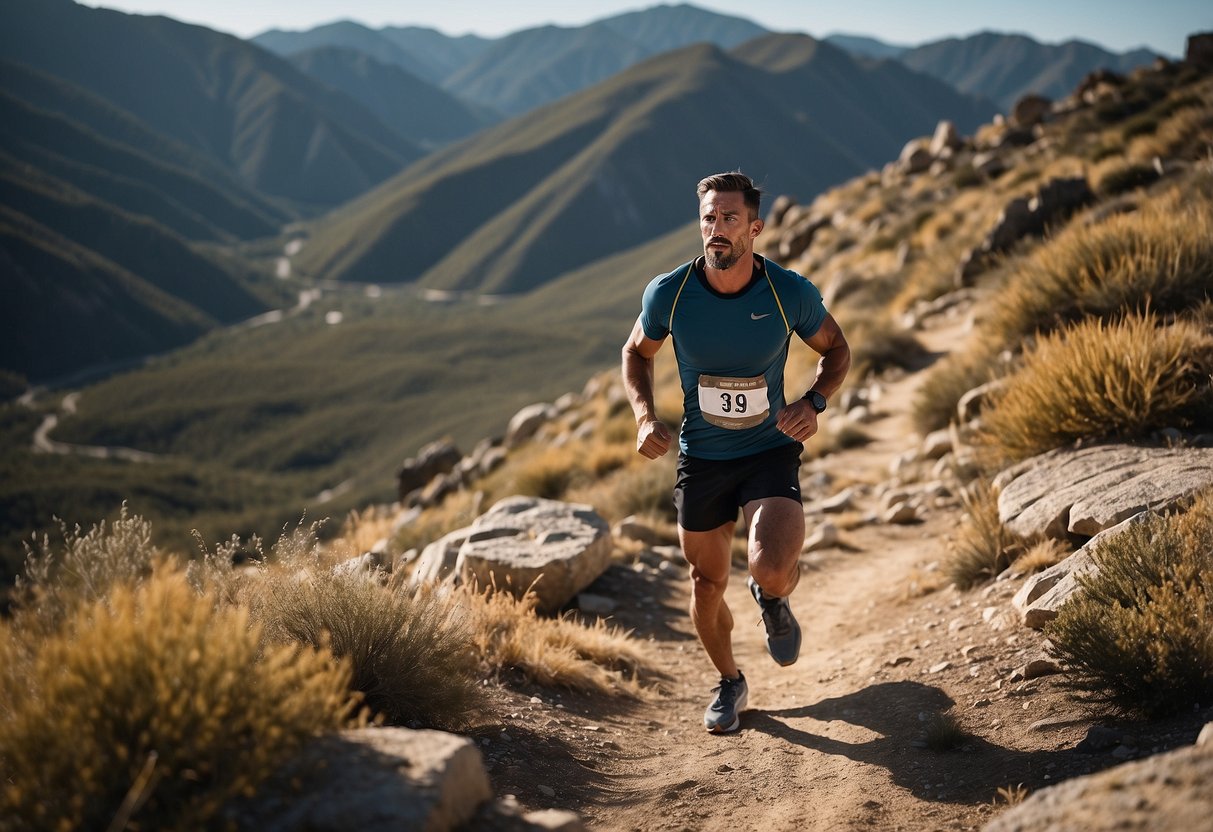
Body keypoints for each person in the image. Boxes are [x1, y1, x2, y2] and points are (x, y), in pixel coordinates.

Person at [621, 171, 851, 734]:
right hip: (701, 458)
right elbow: (635, 352)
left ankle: (773, 597)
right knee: (705, 583)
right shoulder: (669, 293)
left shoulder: (786, 291)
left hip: (769, 450)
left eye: (729, 219)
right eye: (708, 219)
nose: (716, 230)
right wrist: (645, 416)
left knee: (770, 568)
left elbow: (837, 349)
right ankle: (730, 681)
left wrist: (815, 401)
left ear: (755, 227)